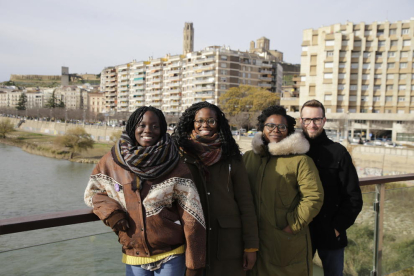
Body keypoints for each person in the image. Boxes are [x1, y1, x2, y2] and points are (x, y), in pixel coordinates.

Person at [84, 106, 206, 276]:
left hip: (171, 254)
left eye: (155, 126)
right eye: (141, 125)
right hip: (134, 253)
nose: (148, 130)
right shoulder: (112, 161)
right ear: (132, 127)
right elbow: (93, 192)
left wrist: (194, 264)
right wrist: (111, 213)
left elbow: (193, 215)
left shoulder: (176, 163)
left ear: (162, 129)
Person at [173, 101, 259, 276]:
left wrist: (251, 246)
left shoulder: (231, 157)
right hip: (189, 238)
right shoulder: (179, 154)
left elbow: (246, 203)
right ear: (192, 123)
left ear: (218, 123)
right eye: (200, 121)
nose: (205, 125)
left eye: (211, 121)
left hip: (227, 243)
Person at [243, 105, 324, 276]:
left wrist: (292, 226)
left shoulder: (300, 160)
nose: (276, 130)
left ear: (288, 130)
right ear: (262, 128)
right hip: (252, 240)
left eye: (282, 127)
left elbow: (313, 197)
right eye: (270, 125)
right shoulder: (249, 157)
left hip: (284, 241)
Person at [300, 99, 363, 276]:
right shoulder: (293, 151)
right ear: (301, 120)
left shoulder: (339, 152)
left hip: (331, 230)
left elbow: (353, 197)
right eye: (307, 120)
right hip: (301, 231)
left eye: (316, 120)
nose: (312, 124)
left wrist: (337, 227)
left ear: (324, 121)